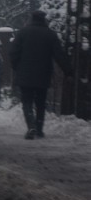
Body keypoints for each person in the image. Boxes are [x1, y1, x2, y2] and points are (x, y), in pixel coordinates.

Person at [9, 10, 72, 140]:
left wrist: (16, 67)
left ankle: (30, 126)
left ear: (32, 19)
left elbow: (13, 52)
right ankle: (39, 128)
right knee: (40, 102)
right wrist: (68, 71)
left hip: (25, 74)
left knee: (27, 101)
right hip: (43, 74)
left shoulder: (23, 33)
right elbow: (59, 55)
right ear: (44, 20)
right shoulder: (50, 35)